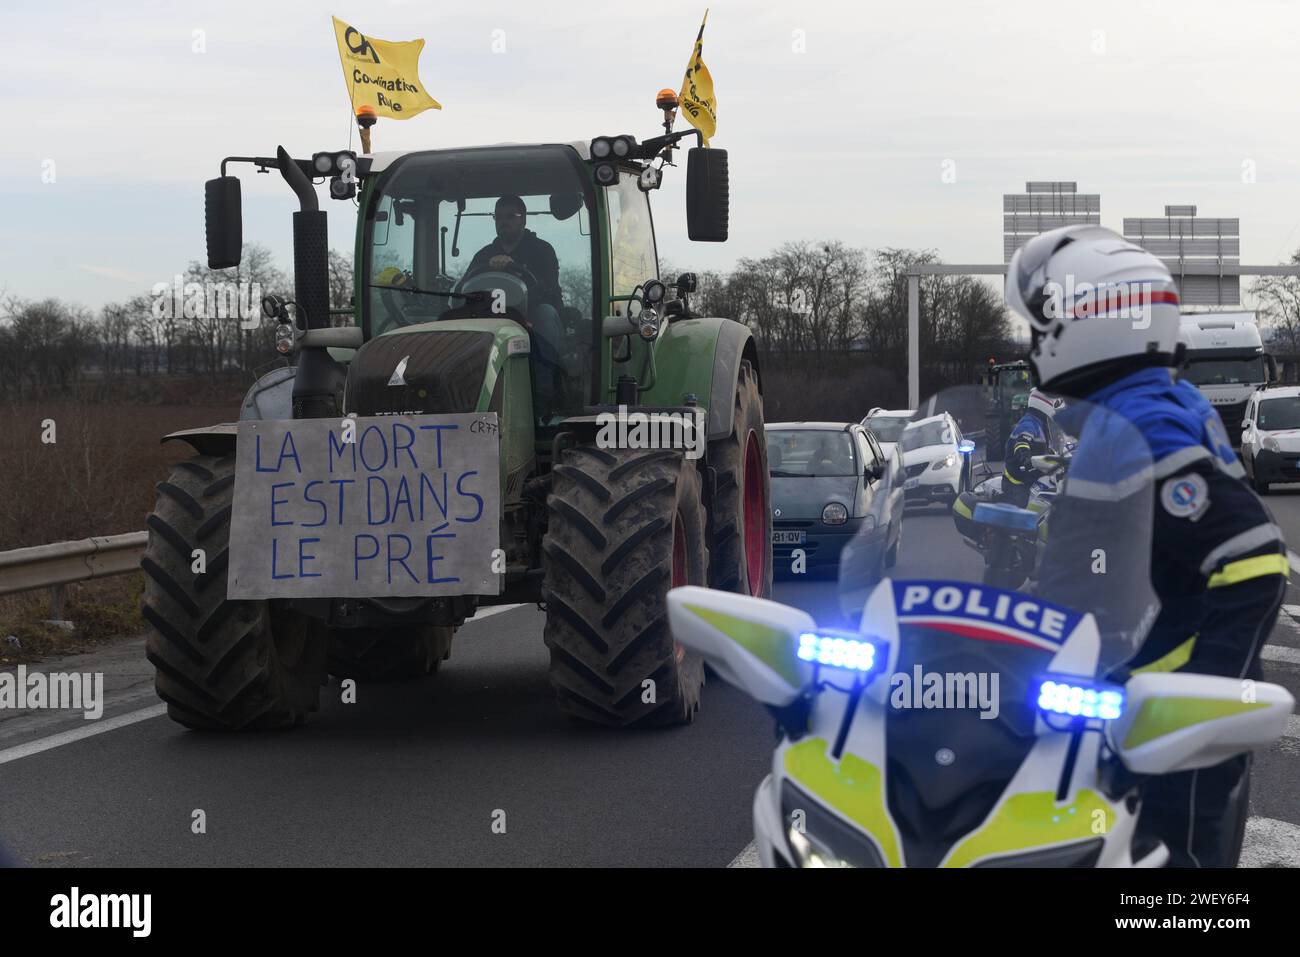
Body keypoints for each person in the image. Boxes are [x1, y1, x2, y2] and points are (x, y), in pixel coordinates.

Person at [1008, 224, 1287, 868]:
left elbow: (1255, 560)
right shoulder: (1143, 405)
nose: (1034, 345)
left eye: (1044, 326)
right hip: (1127, 702)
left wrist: (1196, 694)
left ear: (1094, 322)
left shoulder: (1144, 423)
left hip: (1159, 718)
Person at [468, 195, 566, 416]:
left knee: (546, 314)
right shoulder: (483, 256)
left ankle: (544, 399)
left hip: (533, 317)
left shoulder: (542, 250)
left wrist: (514, 267)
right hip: (493, 320)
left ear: (524, 220)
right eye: (499, 217)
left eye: (511, 217)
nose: (504, 222)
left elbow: (548, 289)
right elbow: (466, 289)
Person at [1000, 388, 1063, 507]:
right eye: (1054, 404)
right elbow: (1022, 441)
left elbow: (1043, 449)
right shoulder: (1029, 423)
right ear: (1046, 404)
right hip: (1017, 481)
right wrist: (1025, 457)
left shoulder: (1041, 424)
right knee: (1027, 508)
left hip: (1032, 477)